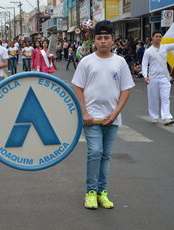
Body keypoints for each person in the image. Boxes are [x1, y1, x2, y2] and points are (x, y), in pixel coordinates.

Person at [71, 20, 135, 209]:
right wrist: (84, 113)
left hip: (111, 118)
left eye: (107, 38)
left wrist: (115, 113)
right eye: (99, 38)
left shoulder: (120, 62)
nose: (103, 41)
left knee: (106, 155)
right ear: (94, 40)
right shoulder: (86, 61)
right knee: (95, 152)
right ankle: (91, 192)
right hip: (91, 118)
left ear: (113, 40)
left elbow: (125, 90)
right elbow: (78, 88)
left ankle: (102, 192)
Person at [142, 31, 174, 125]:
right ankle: (154, 116)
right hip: (152, 77)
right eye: (156, 36)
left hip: (164, 77)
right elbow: (144, 64)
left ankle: (167, 117)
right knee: (153, 98)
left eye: (160, 36)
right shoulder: (148, 51)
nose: (158, 38)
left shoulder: (165, 47)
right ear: (152, 38)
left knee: (165, 97)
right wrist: (145, 76)